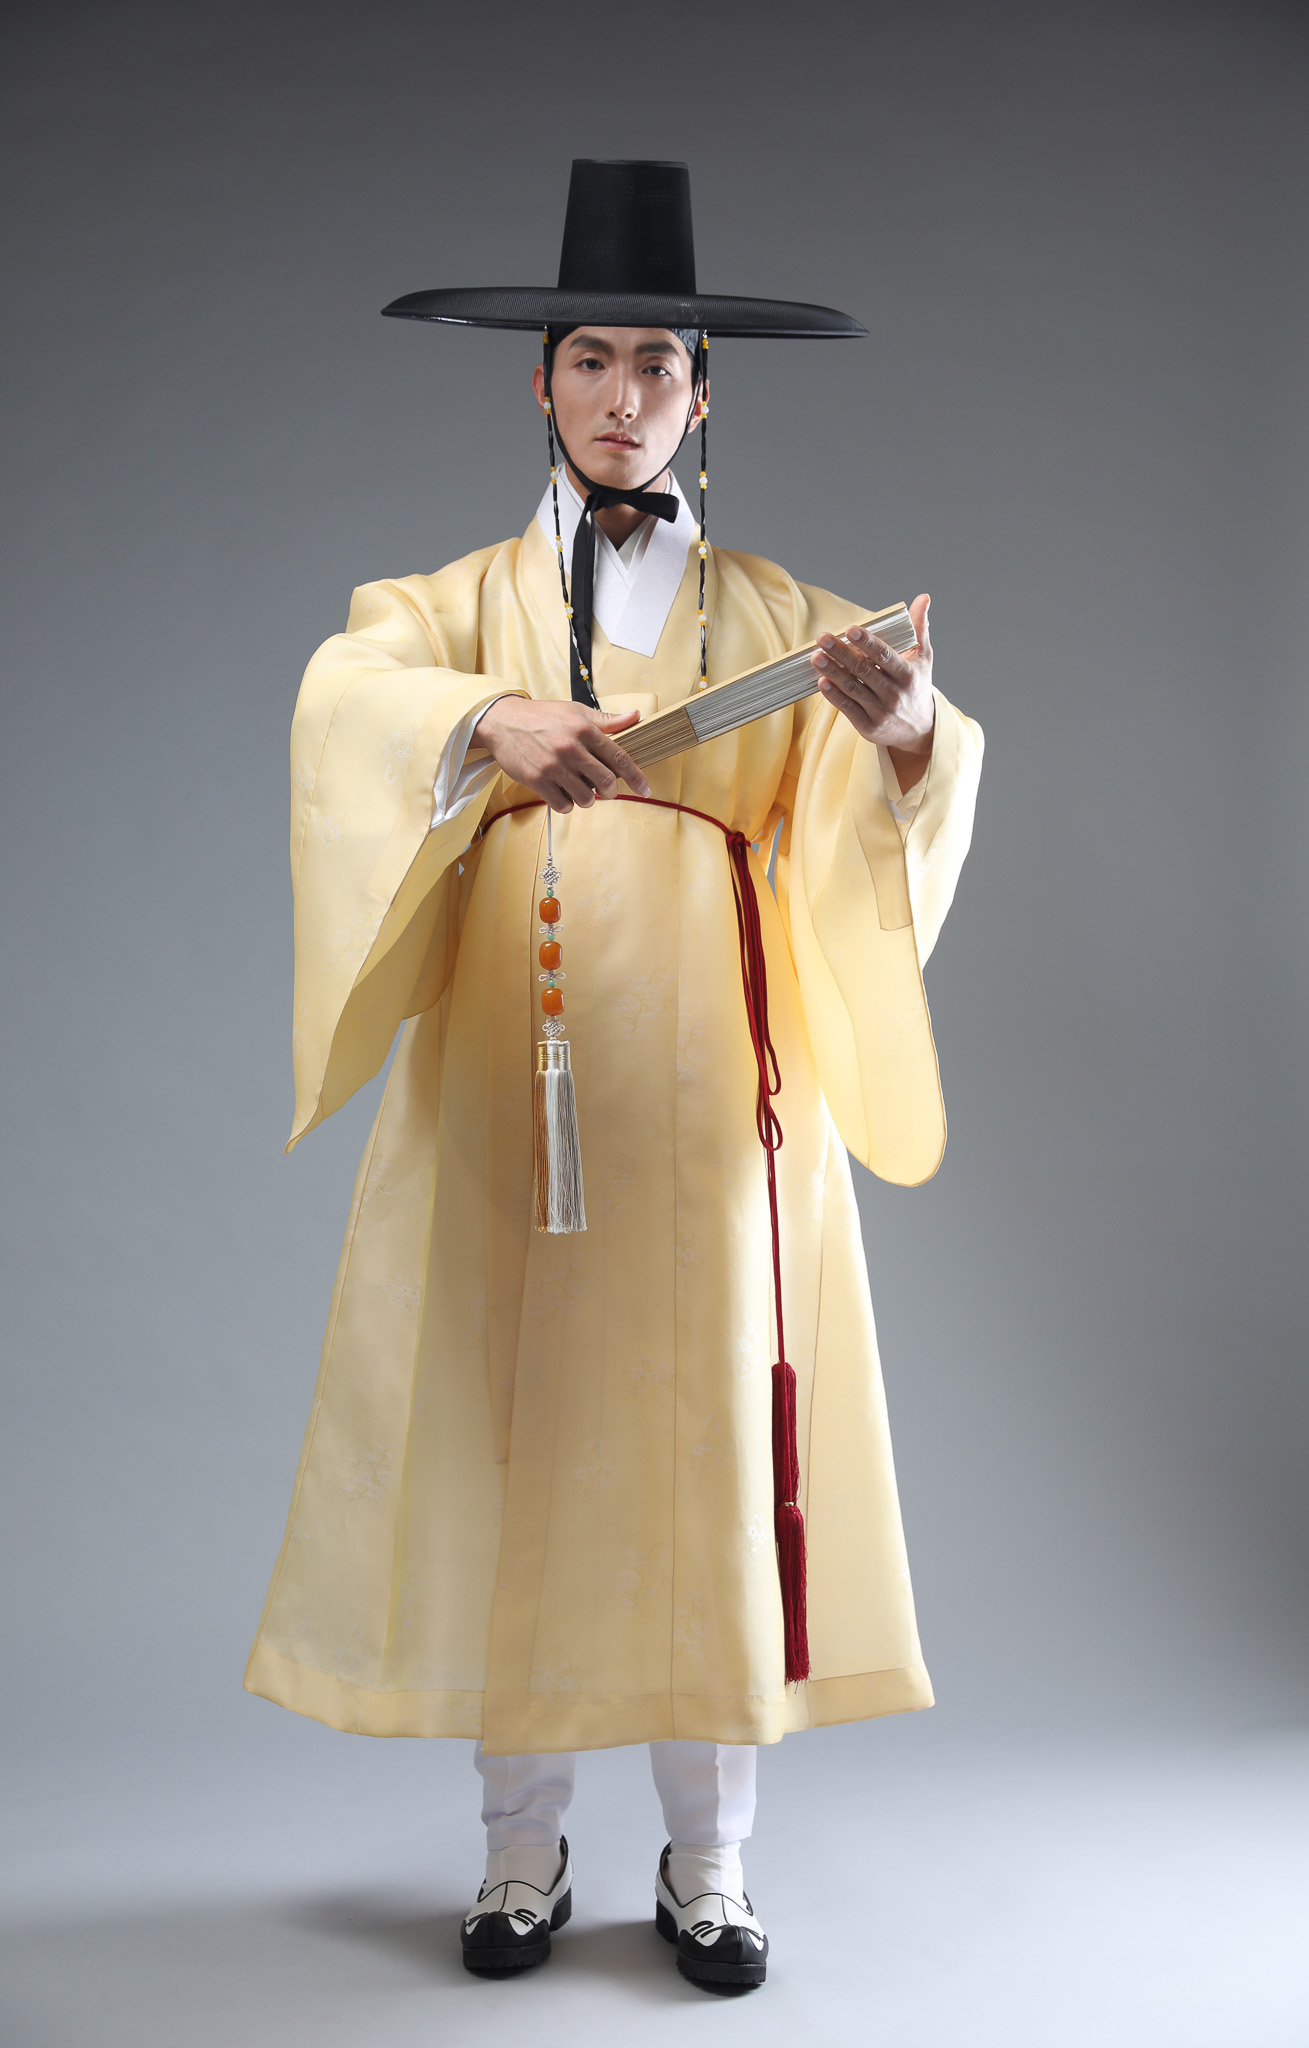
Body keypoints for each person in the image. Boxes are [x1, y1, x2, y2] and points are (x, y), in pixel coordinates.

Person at [244, 160, 983, 1992]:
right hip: (514, 1079)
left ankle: (710, 1862)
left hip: (717, 1102)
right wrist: (480, 717)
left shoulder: (783, 615)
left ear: (700, 395)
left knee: (714, 1446)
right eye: (591, 357)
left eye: (659, 363)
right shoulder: (448, 602)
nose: (622, 394)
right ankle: (519, 1853)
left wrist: (907, 742)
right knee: (517, 1441)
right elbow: (340, 699)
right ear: (539, 382)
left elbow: (885, 802)